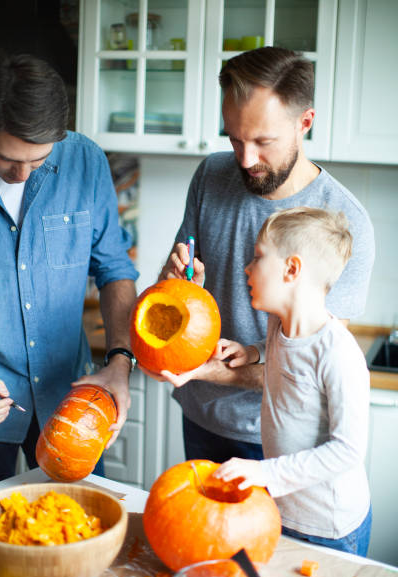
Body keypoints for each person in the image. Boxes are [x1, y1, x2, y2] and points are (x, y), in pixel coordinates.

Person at [156, 46, 374, 463]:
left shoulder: (345, 224)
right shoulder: (210, 176)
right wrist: (174, 284)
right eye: (235, 139)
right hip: (200, 416)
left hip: (281, 437)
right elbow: (176, 287)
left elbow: (312, 361)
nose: (246, 158)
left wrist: (213, 372)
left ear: (304, 123)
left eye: (263, 141)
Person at [172, 206, 372, 556]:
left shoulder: (339, 354)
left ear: (291, 269)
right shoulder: (279, 326)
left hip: (328, 525)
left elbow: (347, 451)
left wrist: (264, 473)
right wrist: (252, 352)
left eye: (258, 258)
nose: (247, 268)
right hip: (286, 511)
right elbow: (287, 352)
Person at [0, 52, 139, 484]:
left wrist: (120, 361)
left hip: (70, 400)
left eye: (37, 162)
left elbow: (114, 268)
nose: (20, 174)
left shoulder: (85, 161)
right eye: (4, 159)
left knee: (77, 526)